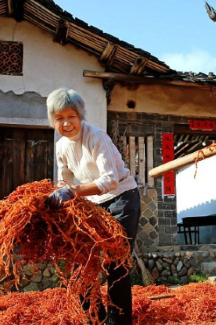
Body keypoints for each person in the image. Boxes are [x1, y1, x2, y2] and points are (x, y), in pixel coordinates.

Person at [45, 87, 139, 325]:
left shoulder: (96, 137)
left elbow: (110, 180)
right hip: (92, 204)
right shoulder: (61, 147)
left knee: (116, 264)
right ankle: (94, 318)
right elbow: (64, 182)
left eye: (71, 117)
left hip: (121, 199)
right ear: (52, 121)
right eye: (59, 118)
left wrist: (72, 192)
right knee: (82, 263)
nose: (66, 123)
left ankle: (119, 322)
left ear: (80, 116)